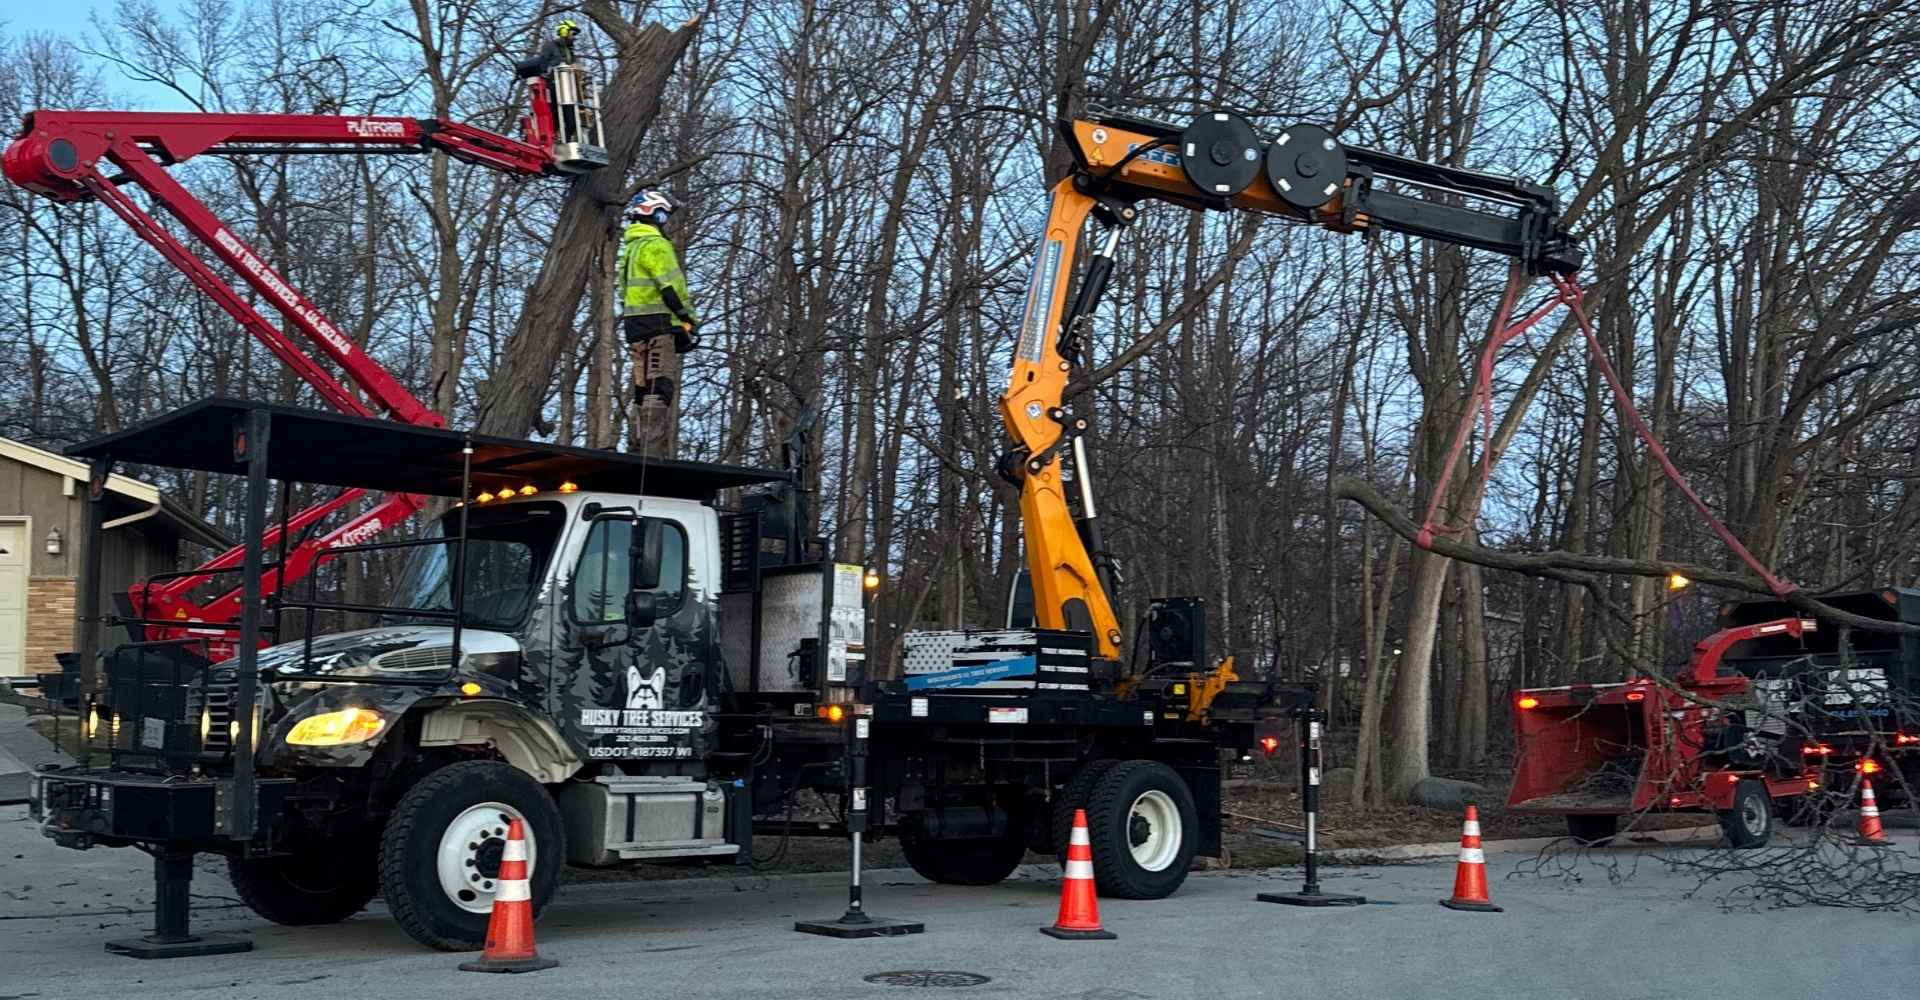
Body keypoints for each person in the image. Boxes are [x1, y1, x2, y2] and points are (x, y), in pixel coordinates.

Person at [617, 188, 698, 454]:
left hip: (635, 327)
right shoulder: (656, 245)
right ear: (656, 214)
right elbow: (671, 287)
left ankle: (636, 446)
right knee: (659, 386)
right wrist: (687, 319)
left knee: (642, 387)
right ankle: (650, 454)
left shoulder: (630, 249)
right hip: (660, 324)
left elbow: (623, 290)